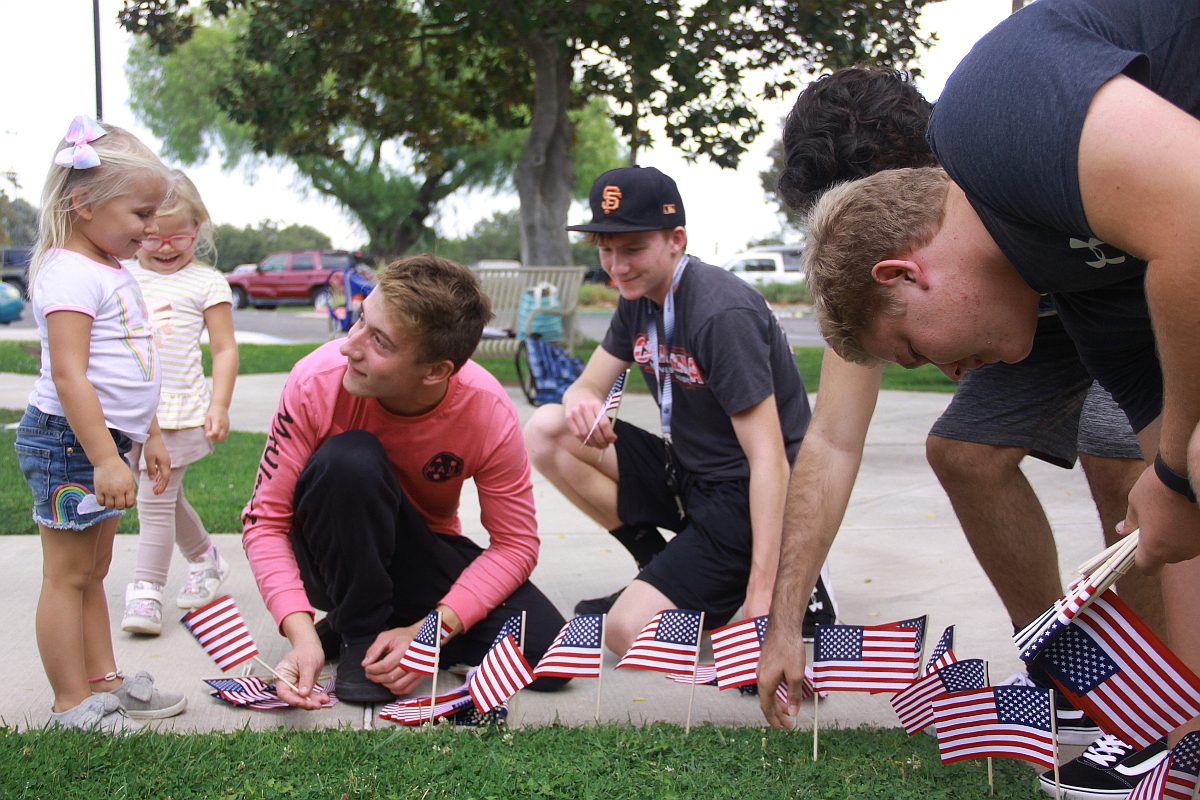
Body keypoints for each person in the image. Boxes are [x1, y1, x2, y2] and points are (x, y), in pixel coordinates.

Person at [757, 65, 1168, 798]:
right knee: (963, 450)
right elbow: (833, 438)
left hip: (1130, 290)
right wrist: (784, 622)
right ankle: (1074, 674)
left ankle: (1162, 710)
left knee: (1120, 448)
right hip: (1019, 314)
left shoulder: (1018, 152)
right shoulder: (882, 269)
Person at [241, 254, 568, 705]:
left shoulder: (487, 410)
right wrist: (299, 632)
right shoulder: (315, 381)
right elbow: (265, 522)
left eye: (379, 341)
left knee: (550, 655)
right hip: (331, 555)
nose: (349, 346)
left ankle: (376, 629)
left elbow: (516, 544)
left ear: (436, 371)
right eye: (360, 320)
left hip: (418, 554)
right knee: (351, 459)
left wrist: (430, 632)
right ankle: (359, 635)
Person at [523, 165, 814, 656]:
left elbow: (769, 459)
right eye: (606, 249)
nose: (617, 267)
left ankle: (774, 578)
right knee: (548, 428)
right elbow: (587, 385)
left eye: (632, 249)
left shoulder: (721, 313)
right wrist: (581, 399)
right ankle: (658, 566)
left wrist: (762, 597)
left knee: (626, 634)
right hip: (685, 471)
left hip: (744, 492)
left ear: (676, 239)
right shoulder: (638, 297)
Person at [15, 116, 187, 732]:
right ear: (83, 204)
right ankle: (70, 703)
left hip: (106, 442)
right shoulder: (68, 272)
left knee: (93, 571)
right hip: (71, 443)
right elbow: (70, 376)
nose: (152, 227)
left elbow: (130, 367)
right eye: (141, 213)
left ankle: (104, 682)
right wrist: (105, 459)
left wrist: (150, 436)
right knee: (68, 576)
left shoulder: (111, 269)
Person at [120, 171, 238, 636]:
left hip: (179, 412)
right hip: (129, 411)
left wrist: (219, 405)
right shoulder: (120, 275)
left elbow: (224, 349)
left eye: (179, 237)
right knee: (164, 497)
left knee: (153, 500)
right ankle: (206, 558)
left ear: (198, 229)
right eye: (154, 237)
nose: (167, 248)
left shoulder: (206, 282)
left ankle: (146, 591)